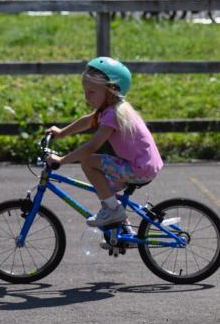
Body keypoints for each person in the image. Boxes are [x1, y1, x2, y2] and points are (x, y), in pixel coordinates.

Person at [45, 58, 163, 228]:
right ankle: (121, 228)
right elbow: (87, 121)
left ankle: (114, 212)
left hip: (138, 168)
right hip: (143, 165)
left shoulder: (113, 114)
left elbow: (92, 146)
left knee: (88, 163)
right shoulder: (113, 108)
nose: (86, 97)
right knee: (104, 190)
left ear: (111, 90)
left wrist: (61, 160)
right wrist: (62, 133)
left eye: (91, 92)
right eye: (85, 91)